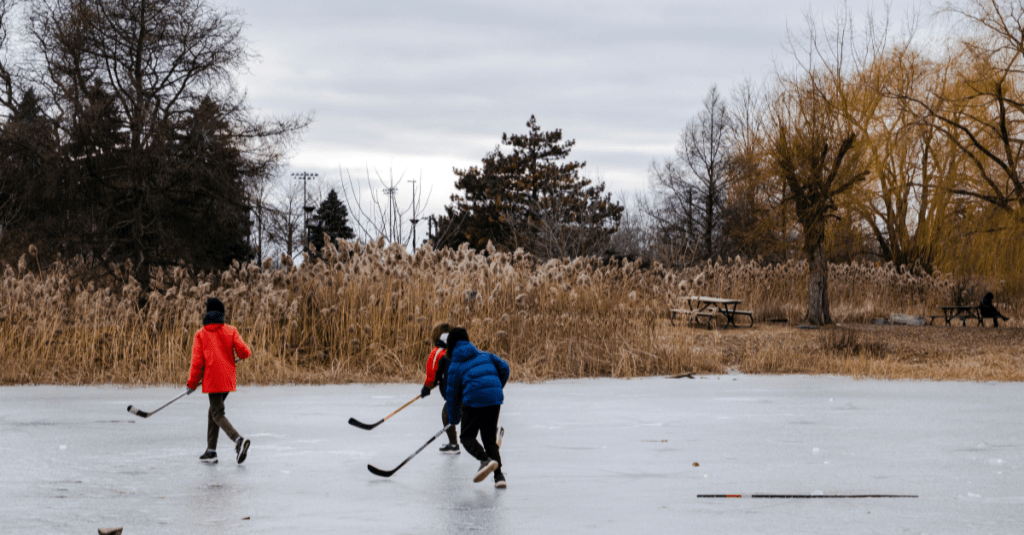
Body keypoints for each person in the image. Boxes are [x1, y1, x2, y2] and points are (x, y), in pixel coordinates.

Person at [187, 297, 252, 464]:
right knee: (213, 411)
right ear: (221, 313)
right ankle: (211, 451)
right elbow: (244, 352)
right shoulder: (231, 330)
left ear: (208, 313)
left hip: (213, 380)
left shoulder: (201, 334)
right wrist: (238, 355)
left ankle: (238, 440)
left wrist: (192, 383)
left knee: (217, 413)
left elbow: (197, 363)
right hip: (227, 379)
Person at [445, 327, 510, 488]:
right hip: (494, 398)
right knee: (489, 438)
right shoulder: (485, 355)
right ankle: (499, 477)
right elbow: (505, 368)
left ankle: (485, 460)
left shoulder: (455, 365)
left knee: (467, 437)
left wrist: (454, 419)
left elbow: (452, 397)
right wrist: (495, 387)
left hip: (474, 399)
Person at [420, 322, 459, 454]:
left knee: (447, 415)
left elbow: (432, 373)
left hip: (456, 392)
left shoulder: (438, 352)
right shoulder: (459, 348)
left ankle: (453, 444)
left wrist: (427, 388)